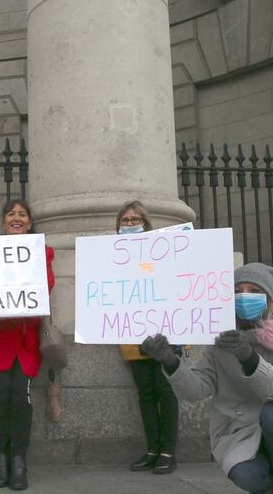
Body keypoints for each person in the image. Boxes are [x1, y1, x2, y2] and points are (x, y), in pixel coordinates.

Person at [141, 262, 273, 494]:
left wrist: (250, 359)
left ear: (270, 298)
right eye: (237, 290)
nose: (244, 296)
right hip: (239, 429)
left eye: (254, 291)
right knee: (247, 476)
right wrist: (170, 362)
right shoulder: (220, 337)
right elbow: (196, 390)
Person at [0, 199, 54, 491]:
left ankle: (19, 460)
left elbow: (48, 285)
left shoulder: (42, 253)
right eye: (11, 214)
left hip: (25, 339)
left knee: (20, 397)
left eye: (22, 215)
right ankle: (2, 460)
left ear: (30, 223)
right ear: (4, 222)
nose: (16, 218)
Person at [115, 201, 179, 475]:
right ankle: (152, 449)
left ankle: (167, 451)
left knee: (166, 392)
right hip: (133, 336)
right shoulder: (112, 257)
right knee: (146, 394)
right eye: (125, 220)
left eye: (135, 220)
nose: (130, 224)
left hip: (166, 335)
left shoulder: (165, 252)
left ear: (146, 223)